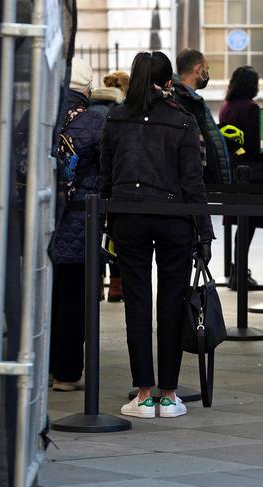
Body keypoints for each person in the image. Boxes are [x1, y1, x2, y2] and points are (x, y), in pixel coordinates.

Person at [100, 51, 214, 419]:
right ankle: (169, 393)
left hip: (129, 214)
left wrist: (107, 221)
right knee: (171, 302)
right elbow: (193, 182)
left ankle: (143, 392)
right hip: (174, 217)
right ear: (169, 82)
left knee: (136, 302)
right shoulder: (182, 120)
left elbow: (106, 175)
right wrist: (204, 234)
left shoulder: (116, 118)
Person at [49, 58, 105, 391]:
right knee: (74, 301)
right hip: (81, 221)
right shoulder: (94, 122)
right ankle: (67, 374)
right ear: (85, 89)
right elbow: (106, 170)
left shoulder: (38, 118)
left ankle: (41, 364)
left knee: (45, 299)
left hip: (42, 223)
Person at [219, 66, 263, 291]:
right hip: (250, 174)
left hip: (232, 172)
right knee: (247, 225)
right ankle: (240, 272)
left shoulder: (226, 107)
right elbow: (254, 145)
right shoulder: (250, 108)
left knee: (242, 225)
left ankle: (237, 270)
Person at [89, 70, 129, 302]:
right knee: (114, 237)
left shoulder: (90, 108)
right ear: (124, 89)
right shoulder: (119, 113)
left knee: (95, 236)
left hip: (89, 184)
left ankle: (96, 284)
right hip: (111, 183)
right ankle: (116, 287)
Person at [174, 48, 231, 184]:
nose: (207, 73)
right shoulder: (187, 101)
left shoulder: (188, 98)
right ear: (198, 69)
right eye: (206, 68)